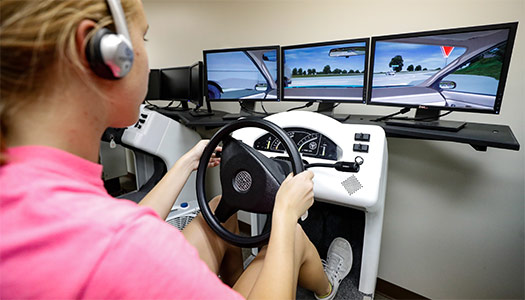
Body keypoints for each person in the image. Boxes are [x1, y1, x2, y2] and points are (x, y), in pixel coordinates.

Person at [0, 0, 353, 299]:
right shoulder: (126, 243)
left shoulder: (28, 192)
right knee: (287, 235)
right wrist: (285, 212)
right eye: (143, 37)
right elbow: (126, 238)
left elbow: (128, 223)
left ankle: (233, 283)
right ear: (100, 52)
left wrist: (187, 163)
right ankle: (329, 289)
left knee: (218, 208)